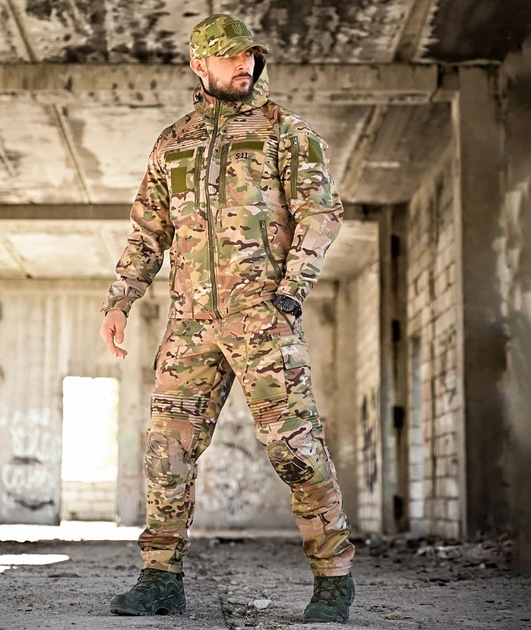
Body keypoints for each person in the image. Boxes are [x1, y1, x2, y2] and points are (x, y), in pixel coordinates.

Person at [100, 13, 355, 624]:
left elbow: (320, 213)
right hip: (190, 324)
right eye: (230, 56)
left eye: (249, 56)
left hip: (264, 319)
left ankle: (333, 582)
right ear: (200, 65)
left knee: (295, 451)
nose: (245, 65)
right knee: (166, 451)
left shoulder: (285, 131)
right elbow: (148, 231)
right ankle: (160, 579)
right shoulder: (174, 142)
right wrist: (120, 300)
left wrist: (291, 291)